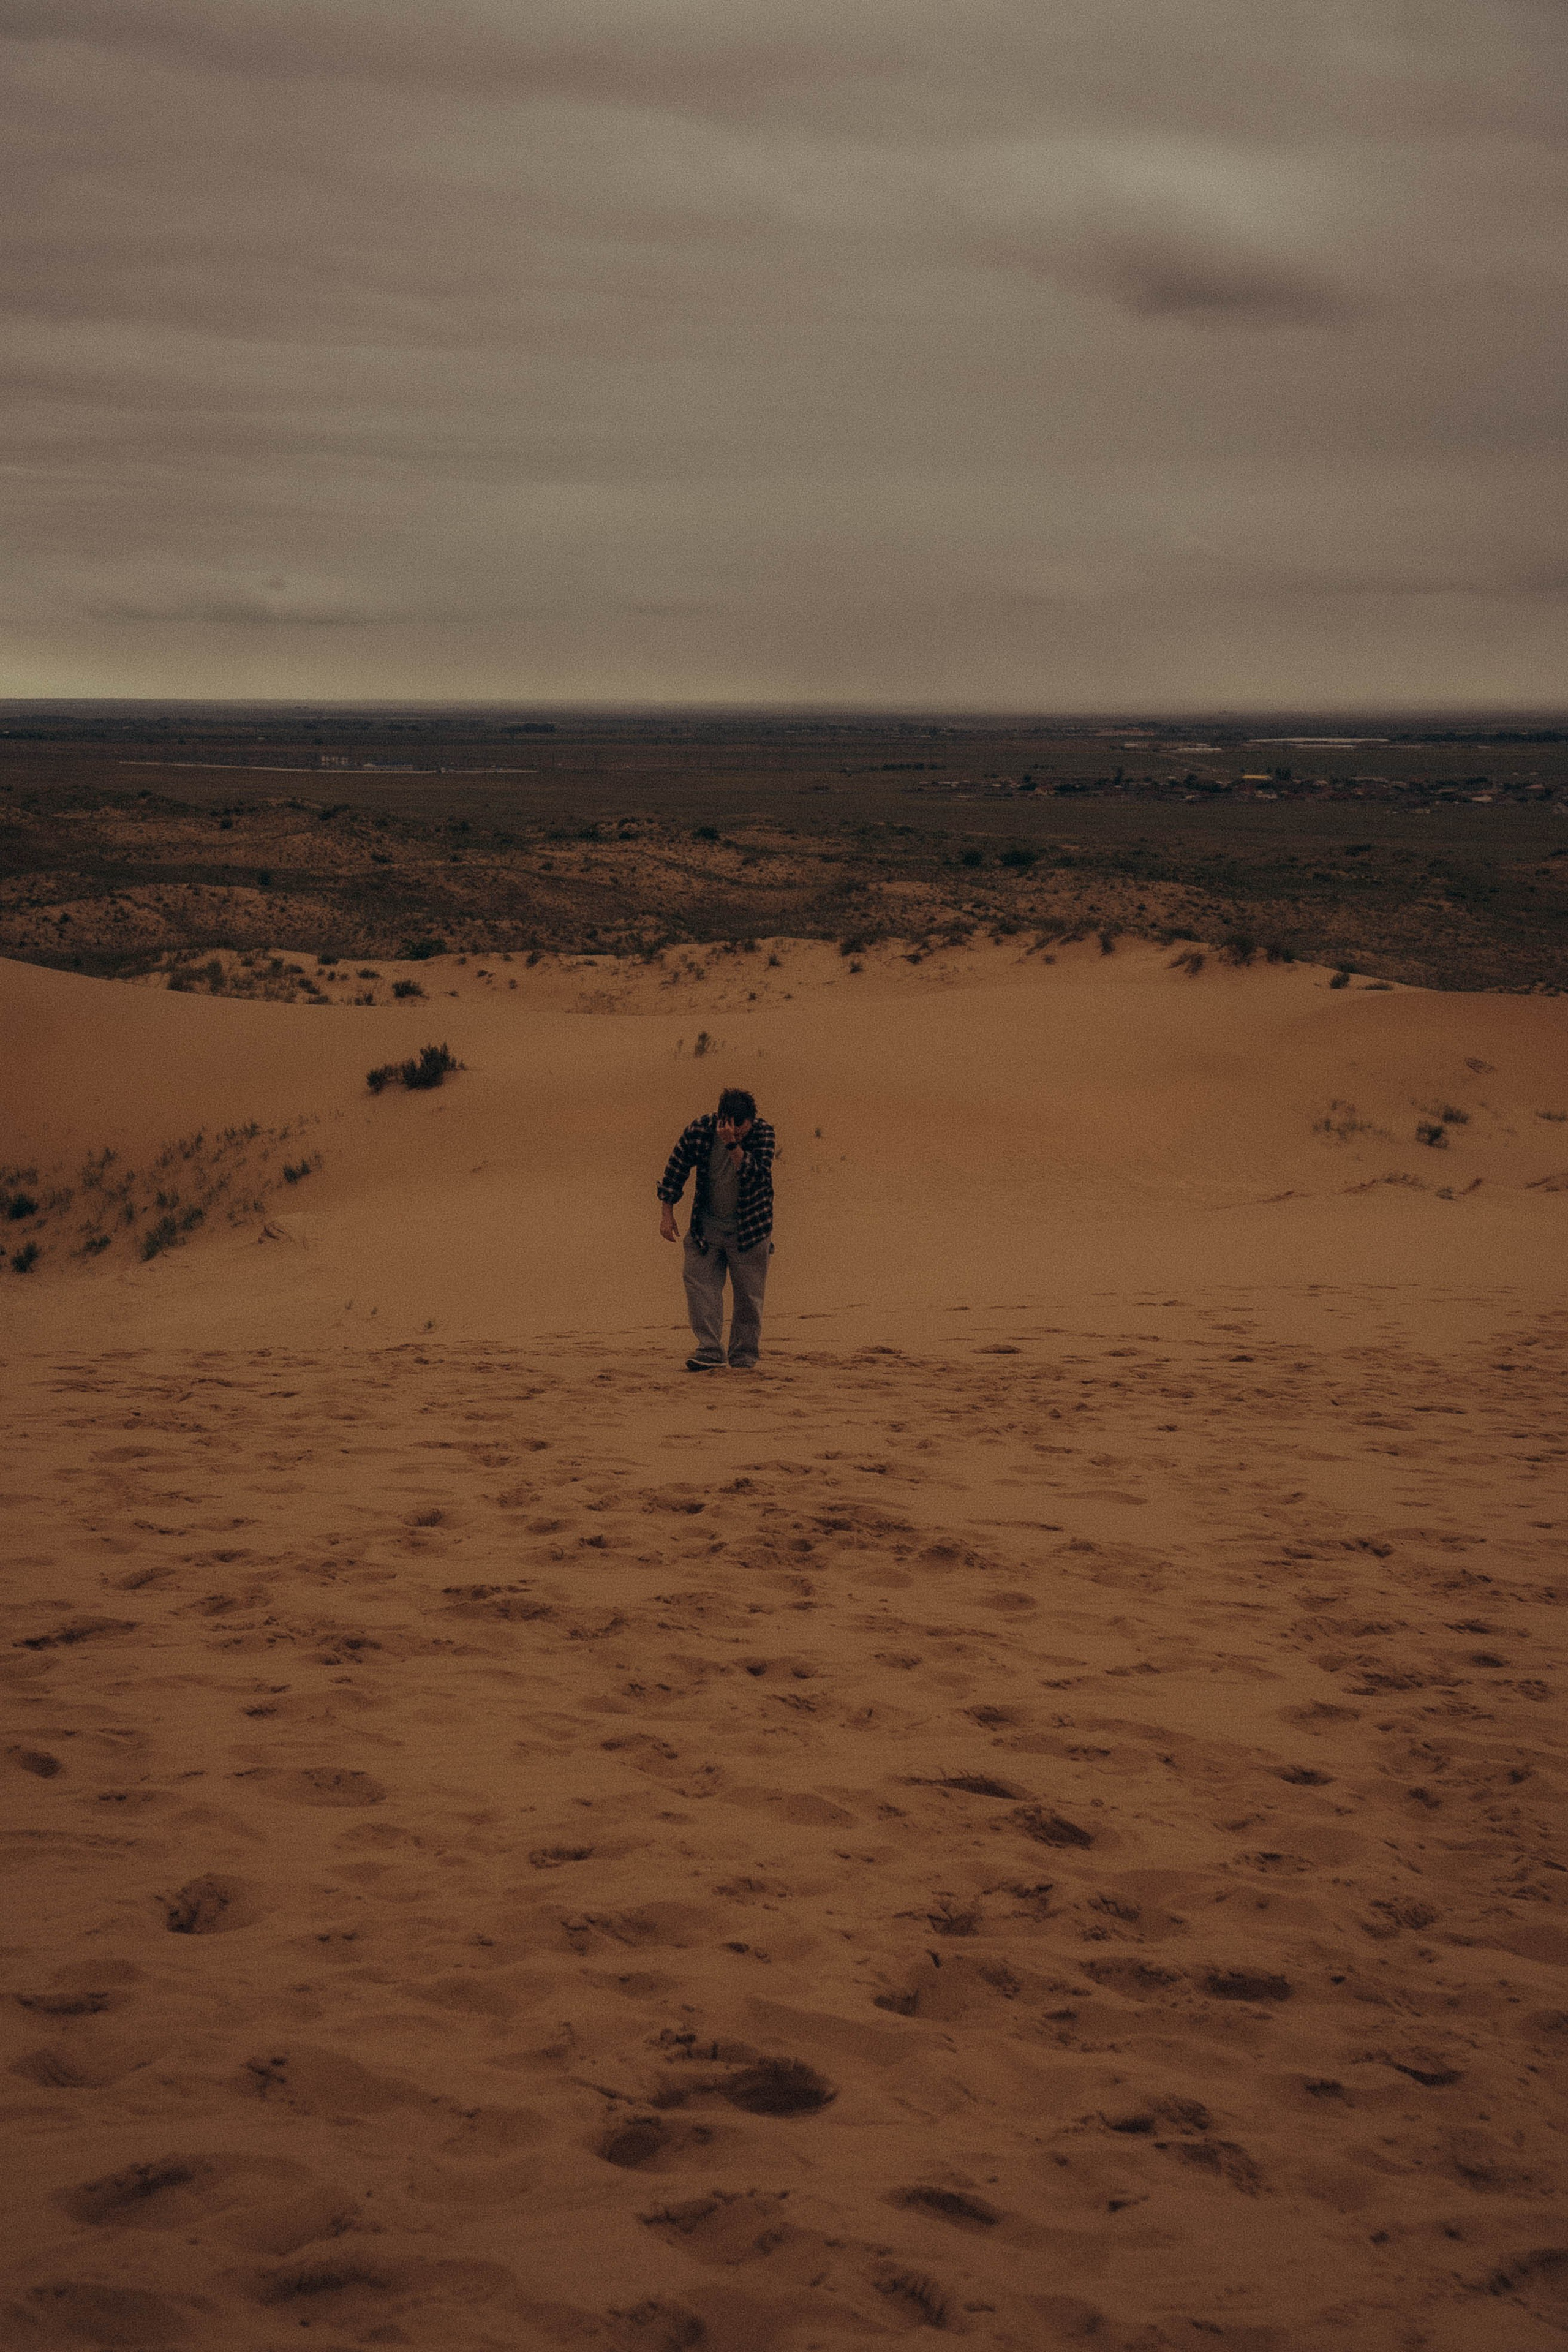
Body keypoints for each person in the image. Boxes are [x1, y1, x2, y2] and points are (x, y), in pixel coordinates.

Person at [657, 1086, 775, 1371]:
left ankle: (744, 1358)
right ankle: (709, 1350)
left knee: (749, 1296)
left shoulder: (763, 1134)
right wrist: (667, 1213)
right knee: (699, 1286)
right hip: (706, 1227)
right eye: (729, 1124)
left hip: (751, 1229)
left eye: (741, 1126)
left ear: (752, 1120)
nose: (734, 1130)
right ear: (721, 1117)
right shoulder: (701, 1129)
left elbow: (757, 1176)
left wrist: (733, 1146)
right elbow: (676, 1167)